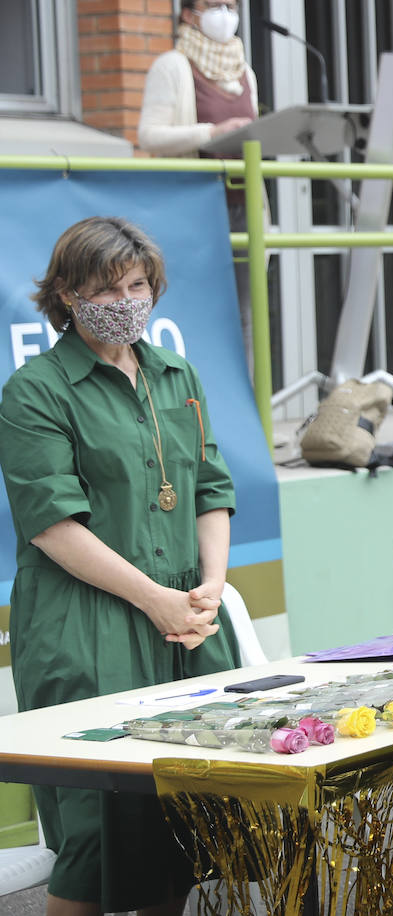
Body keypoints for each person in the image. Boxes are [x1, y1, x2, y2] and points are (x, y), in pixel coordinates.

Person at [0, 217, 238, 915]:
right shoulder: (36, 390)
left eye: (139, 285)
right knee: (95, 830)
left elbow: (211, 488)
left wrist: (212, 585)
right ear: (68, 295)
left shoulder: (176, 373)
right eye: (107, 288)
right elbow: (51, 525)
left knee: (179, 825)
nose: (127, 300)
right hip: (88, 624)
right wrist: (154, 599)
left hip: (184, 618)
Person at [137, 0, 259, 370]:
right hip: (193, 210)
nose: (224, 12)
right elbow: (148, 136)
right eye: (213, 4)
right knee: (192, 310)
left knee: (243, 315)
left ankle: (244, 411)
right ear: (189, 13)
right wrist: (211, 133)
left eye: (231, 4)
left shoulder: (245, 72)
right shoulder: (172, 66)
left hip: (243, 205)